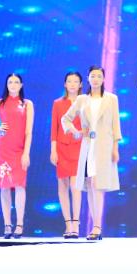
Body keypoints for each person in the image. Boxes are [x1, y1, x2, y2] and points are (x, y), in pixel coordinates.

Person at [62, 66, 121, 241]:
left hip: (104, 146)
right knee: (90, 184)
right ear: (88, 78)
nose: (95, 79)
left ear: (104, 79)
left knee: (98, 184)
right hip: (88, 146)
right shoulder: (82, 99)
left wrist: (115, 148)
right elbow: (66, 119)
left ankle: (97, 226)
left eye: (99, 76)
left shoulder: (111, 99)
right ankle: (95, 227)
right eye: (93, 76)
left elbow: (116, 125)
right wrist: (77, 132)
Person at [0, 73, 34, 239]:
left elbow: (29, 131)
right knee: (4, 186)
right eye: (10, 82)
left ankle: (19, 224)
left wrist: (26, 153)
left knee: (20, 185)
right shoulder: (0, 103)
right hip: (3, 149)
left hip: (20, 150)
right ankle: (7, 225)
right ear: (6, 84)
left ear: (21, 85)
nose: (13, 84)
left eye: (16, 82)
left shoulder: (27, 104)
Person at [51, 71, 84, 239]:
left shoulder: (84, 102)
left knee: (75, 186)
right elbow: (54, 128)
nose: (72, 84)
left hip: (79, 147)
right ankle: (68, 224)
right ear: (65, 84)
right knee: (62, 186)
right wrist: (53, 150)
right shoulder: (58, 103)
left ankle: (76, 223)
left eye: (75, 81)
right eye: (69, 81)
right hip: (62, 148)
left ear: (80, 85)